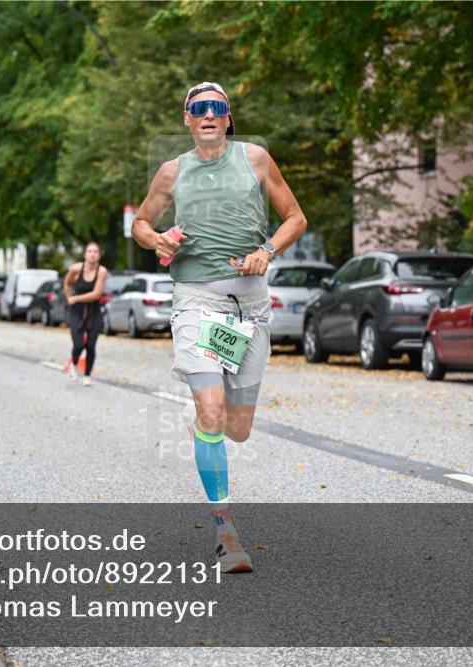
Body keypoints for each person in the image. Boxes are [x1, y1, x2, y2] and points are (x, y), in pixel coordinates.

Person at [131, 81, 307, 574]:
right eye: (198, 109)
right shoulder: (172, 171)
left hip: (249, 307)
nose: (208, 114)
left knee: (238, 428)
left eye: (217, 108)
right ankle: (226, 535)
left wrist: (266, 251)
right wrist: (158, 239)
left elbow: (295, 217)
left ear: (228, 118)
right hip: (197, 299)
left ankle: (208, 427)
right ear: (187, 119)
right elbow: (141, 223)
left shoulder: (256, 159)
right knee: (211, 411)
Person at [63, 242, 108, 387]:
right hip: (76, 311)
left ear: (99, 255)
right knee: (78, 344)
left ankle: (87, 375)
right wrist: (69, 297)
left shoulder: (102, 271)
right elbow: (67, 283)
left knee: (90, 345)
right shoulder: (76, 268)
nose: (92, 254)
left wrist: (75, 298)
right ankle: (74, 364)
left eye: (95, 251)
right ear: (85, 254)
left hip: (94, 311)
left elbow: (96, 294)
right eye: (90, 251)